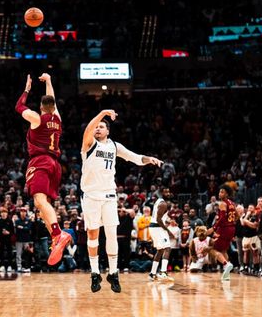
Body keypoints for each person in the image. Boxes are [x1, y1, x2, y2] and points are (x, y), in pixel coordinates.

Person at [80, 110, 163, 293]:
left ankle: (113, 272)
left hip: (109, 195)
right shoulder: (89, 144)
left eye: (102, 126)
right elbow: (88, 130)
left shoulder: (114, 146)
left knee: (111, 234)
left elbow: (135, 157)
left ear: (108, 131)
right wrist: (101, 114)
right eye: (97, 127)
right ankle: (95, 273)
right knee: (93, 235)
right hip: (91, 195)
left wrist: (149, 159)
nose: (98, 129)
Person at [15, 73, 71, 266]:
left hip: (40, 161)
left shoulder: (37, 118)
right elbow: (52, 100)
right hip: (56, 164)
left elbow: (19, 107)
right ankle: (56, 237)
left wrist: (27, 89)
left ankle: (57, 233)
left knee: (39, 201)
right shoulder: (57, 118)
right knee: (43, 204)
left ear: (40, 107)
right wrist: (48, 81)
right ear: (54, 107)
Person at [206, 184, 236, 280]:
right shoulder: (232, 203)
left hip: (224, 229)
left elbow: (222, 218)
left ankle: (225, 264)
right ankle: (226, 274)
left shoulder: (222, 203)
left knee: (212, 249)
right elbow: (237, 216)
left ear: (227, 194)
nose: (220, 193)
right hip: (231, 228)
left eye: (222, 192)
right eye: (219, 191)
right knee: (223, 250)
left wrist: (213, 228)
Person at [148, 187, 175, 282]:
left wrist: (168, 221)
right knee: (167, 248)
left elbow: (159, 217)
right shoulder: (163, 204)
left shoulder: (159, 201)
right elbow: (159, 220)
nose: (168, 193)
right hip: (157, 228)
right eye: (166, 191)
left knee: (160, 250)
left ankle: (152, 273)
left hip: (154, 227)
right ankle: (163, 272)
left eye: (168, 191)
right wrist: (168, 230)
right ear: (161, 193)